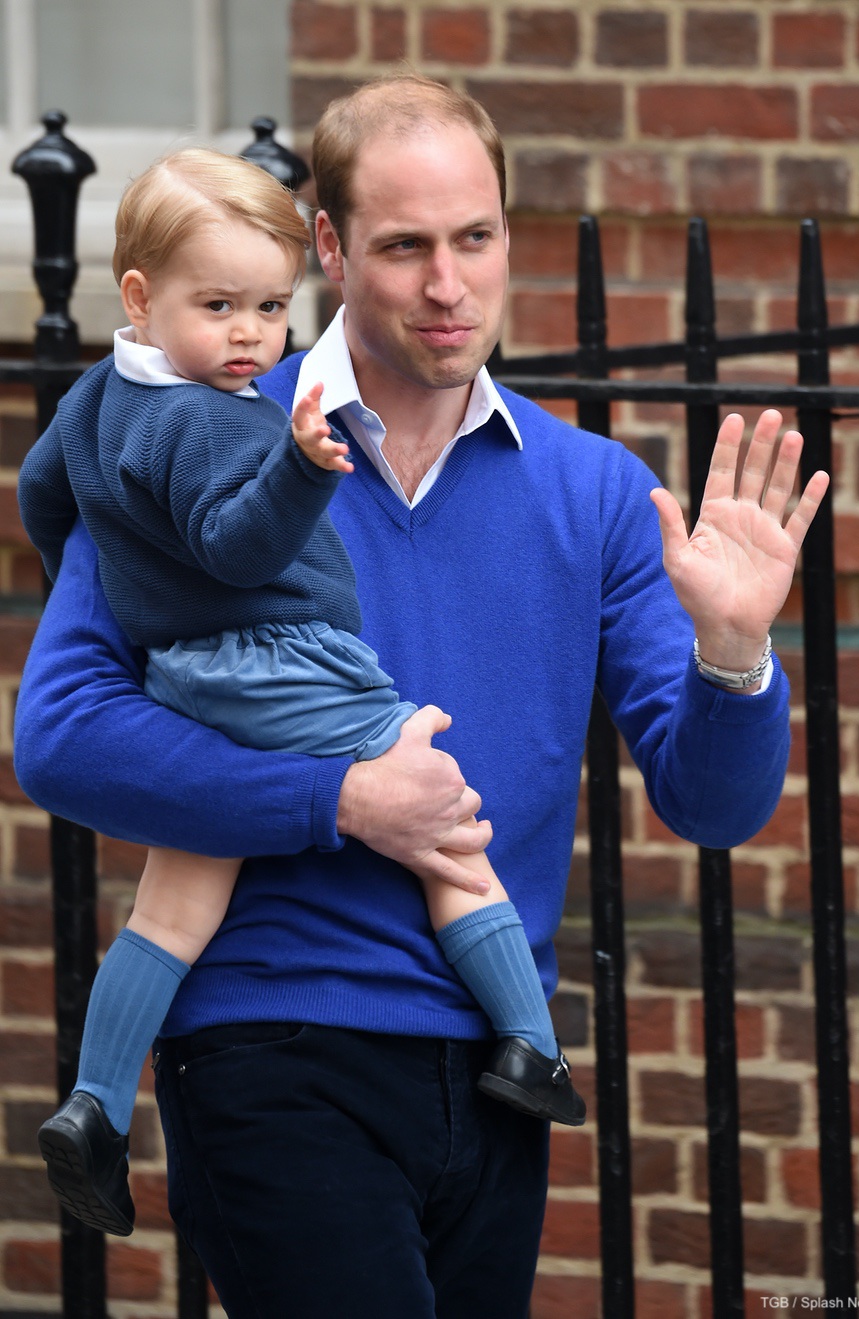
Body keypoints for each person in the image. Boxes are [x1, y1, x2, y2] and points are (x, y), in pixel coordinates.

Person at [14, 74, 829, 1318]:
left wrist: (733, 649)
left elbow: (714, 807)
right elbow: (63, 737)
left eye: (477, 238)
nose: (450, 286)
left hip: (496, 1068)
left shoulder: (596, 492)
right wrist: (340, 796)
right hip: (268, 1039)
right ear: (329, 249)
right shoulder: (191, 441)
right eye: (405, 247)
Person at [18, 145, 586, 1236]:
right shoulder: (217, 419)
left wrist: (116, 581)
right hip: (287, 660)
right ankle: (530, 1042)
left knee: (177, 898)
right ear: (139, 297)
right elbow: (237, 548)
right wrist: (298, 466)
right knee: (446, 817)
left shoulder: (96, 398)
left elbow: (48, 496)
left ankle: (93, 1103)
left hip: (188, 678)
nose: (249, 336)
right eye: (219, 304)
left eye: (271, 307)